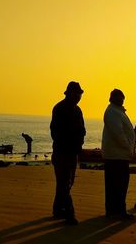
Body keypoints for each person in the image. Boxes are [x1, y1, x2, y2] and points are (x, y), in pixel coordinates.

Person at [50, 81, 86, 225]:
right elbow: (55, 132)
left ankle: (58, 209)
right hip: (62, 152)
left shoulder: (78, 110)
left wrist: (79, 145)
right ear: (69, 93)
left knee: (67, 182)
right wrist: (68, 143)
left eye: (80, 94)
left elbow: (82, 130)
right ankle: (69, 213)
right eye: (76, 94)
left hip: (72, 152)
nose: (78, 97)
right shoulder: (59, 108)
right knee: (64, 182)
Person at [101, 89, 136, 219]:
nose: (121, 99)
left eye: (122, 97)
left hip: (120, 154)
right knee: (117, 185)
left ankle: (116, 210)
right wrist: (128, 148)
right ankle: (116, 211)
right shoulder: (112, 112)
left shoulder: (118, 112)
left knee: (119, 185)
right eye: (118, 97)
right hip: (116, 155)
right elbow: (118, 133)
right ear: (112, 98)